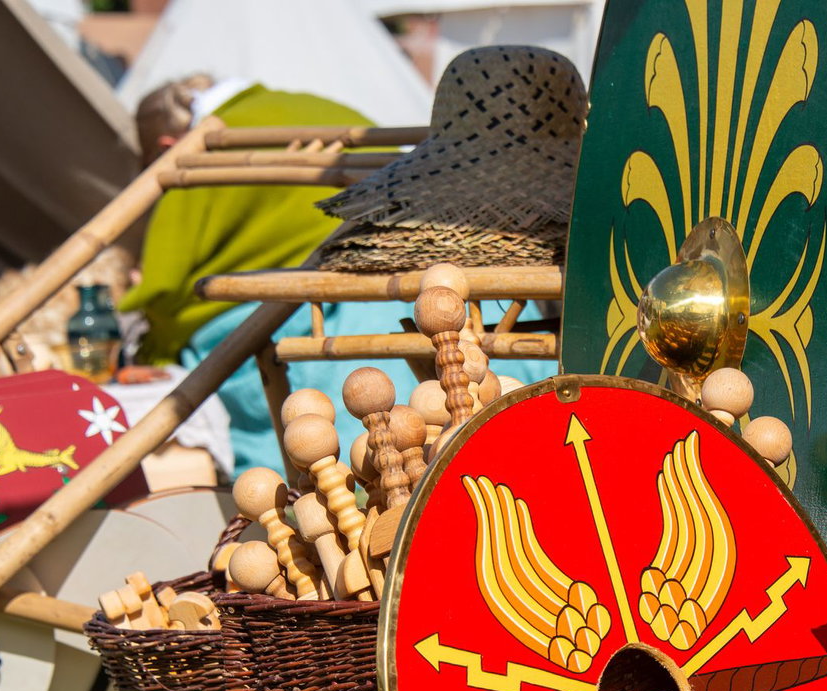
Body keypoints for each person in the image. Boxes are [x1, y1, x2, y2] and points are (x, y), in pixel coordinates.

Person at [121, 75, 547, 474]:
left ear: (163, 145)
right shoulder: (307, 105)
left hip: (318, 312)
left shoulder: (200, 149)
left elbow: (164, 287)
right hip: (429, 287)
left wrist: (153, 347)